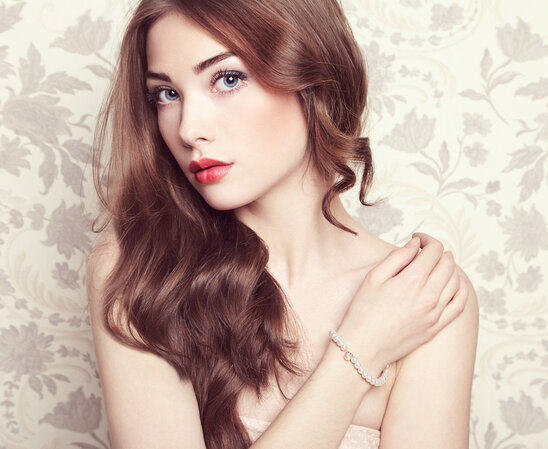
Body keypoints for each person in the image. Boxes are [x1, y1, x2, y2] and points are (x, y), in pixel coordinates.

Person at [86, 0, 479, 448]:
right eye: (166, 94)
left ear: (312, 76)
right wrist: (360, 351)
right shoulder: (140, 272)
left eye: (227, 79)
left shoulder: (421, 294)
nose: (188, 128)